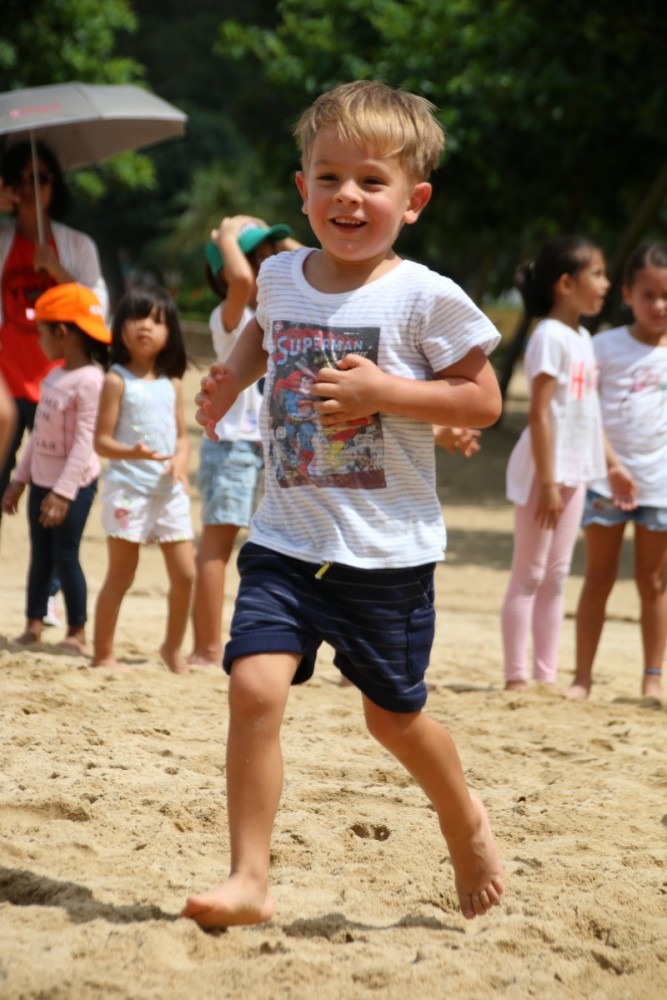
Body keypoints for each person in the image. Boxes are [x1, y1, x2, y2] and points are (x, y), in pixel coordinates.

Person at [181, 80, 505, 930]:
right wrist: (227, 383)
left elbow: (481, 400)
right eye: (327, 178)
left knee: (392, 720)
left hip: (385, 553)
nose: (346, 197)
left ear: (413, 200)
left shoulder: (424, 295)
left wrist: (384, 392)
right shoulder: (280, 275)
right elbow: (263, 334)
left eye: (370, 181)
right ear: (301, 189)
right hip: (285, 540)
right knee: (253, 689)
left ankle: (462, 817)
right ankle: (249, 877)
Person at [188, 215, 299, 668]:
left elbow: (314, 261)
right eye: (260, 257)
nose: (270, 264)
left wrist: (270, 235)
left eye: (272, 255)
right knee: (217, 544)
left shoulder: (279, 311)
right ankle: (206, 648)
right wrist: (228, 236)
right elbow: (241, 280)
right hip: (232, 445)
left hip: (270, 446)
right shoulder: (230, 316)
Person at [500, 236, 610, 691]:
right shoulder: (548, 336)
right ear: (566, 284)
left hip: (574, 472)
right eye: (597, 274)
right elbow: (540, 413)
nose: (605, 284)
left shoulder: (583, 338)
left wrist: (612, 464)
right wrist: (546, 483)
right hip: (543, 475)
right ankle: (516, 677)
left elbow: (588, 411)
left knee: (558, 575)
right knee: (529, 574)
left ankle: (546, 675)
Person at [567, 243, 667, 701]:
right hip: (606, 482)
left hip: (660, 487)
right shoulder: (603, 346)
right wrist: (612, 464)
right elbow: (585, 411)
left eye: (666, 296)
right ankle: (582, 677)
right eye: (648, 294)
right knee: (599, 577)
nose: (658, 305)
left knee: (653, 583)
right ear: (627, 293)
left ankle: (652, 677)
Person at [1, 283, 110, 651]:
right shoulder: (52, 376)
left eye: (41, 332)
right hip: (41, 482)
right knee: (41, 555)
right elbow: (37, 435)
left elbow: (84, 443)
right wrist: (19, 480)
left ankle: (77, 631)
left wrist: (63, 494)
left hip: (74, 487)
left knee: (65, 555)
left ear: (62, 333)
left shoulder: (91, 381)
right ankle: (33, 624)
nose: (38, 340)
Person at [92, 285, 195, 674]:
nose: (145, 326)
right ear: (120, 327)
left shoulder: (172, 383)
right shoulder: (116, 379)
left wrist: (180, 463)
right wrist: (132, 452)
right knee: (121, 574)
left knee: (186, 574)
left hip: (169, 492)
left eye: (157, 320)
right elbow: (101, 441)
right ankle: (103, 653)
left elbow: (182, 438)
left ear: (171, 333)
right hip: (128, 492)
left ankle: (172, 647)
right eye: (137, 317)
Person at [0, 140, 108, 507]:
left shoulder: (78, 245)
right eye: (17, 178)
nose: (28, 187)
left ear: (55, 184)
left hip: (59, 385)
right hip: (5, 383)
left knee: (55, 495)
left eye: (39, 178)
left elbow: (97, 309)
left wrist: (59, 272)